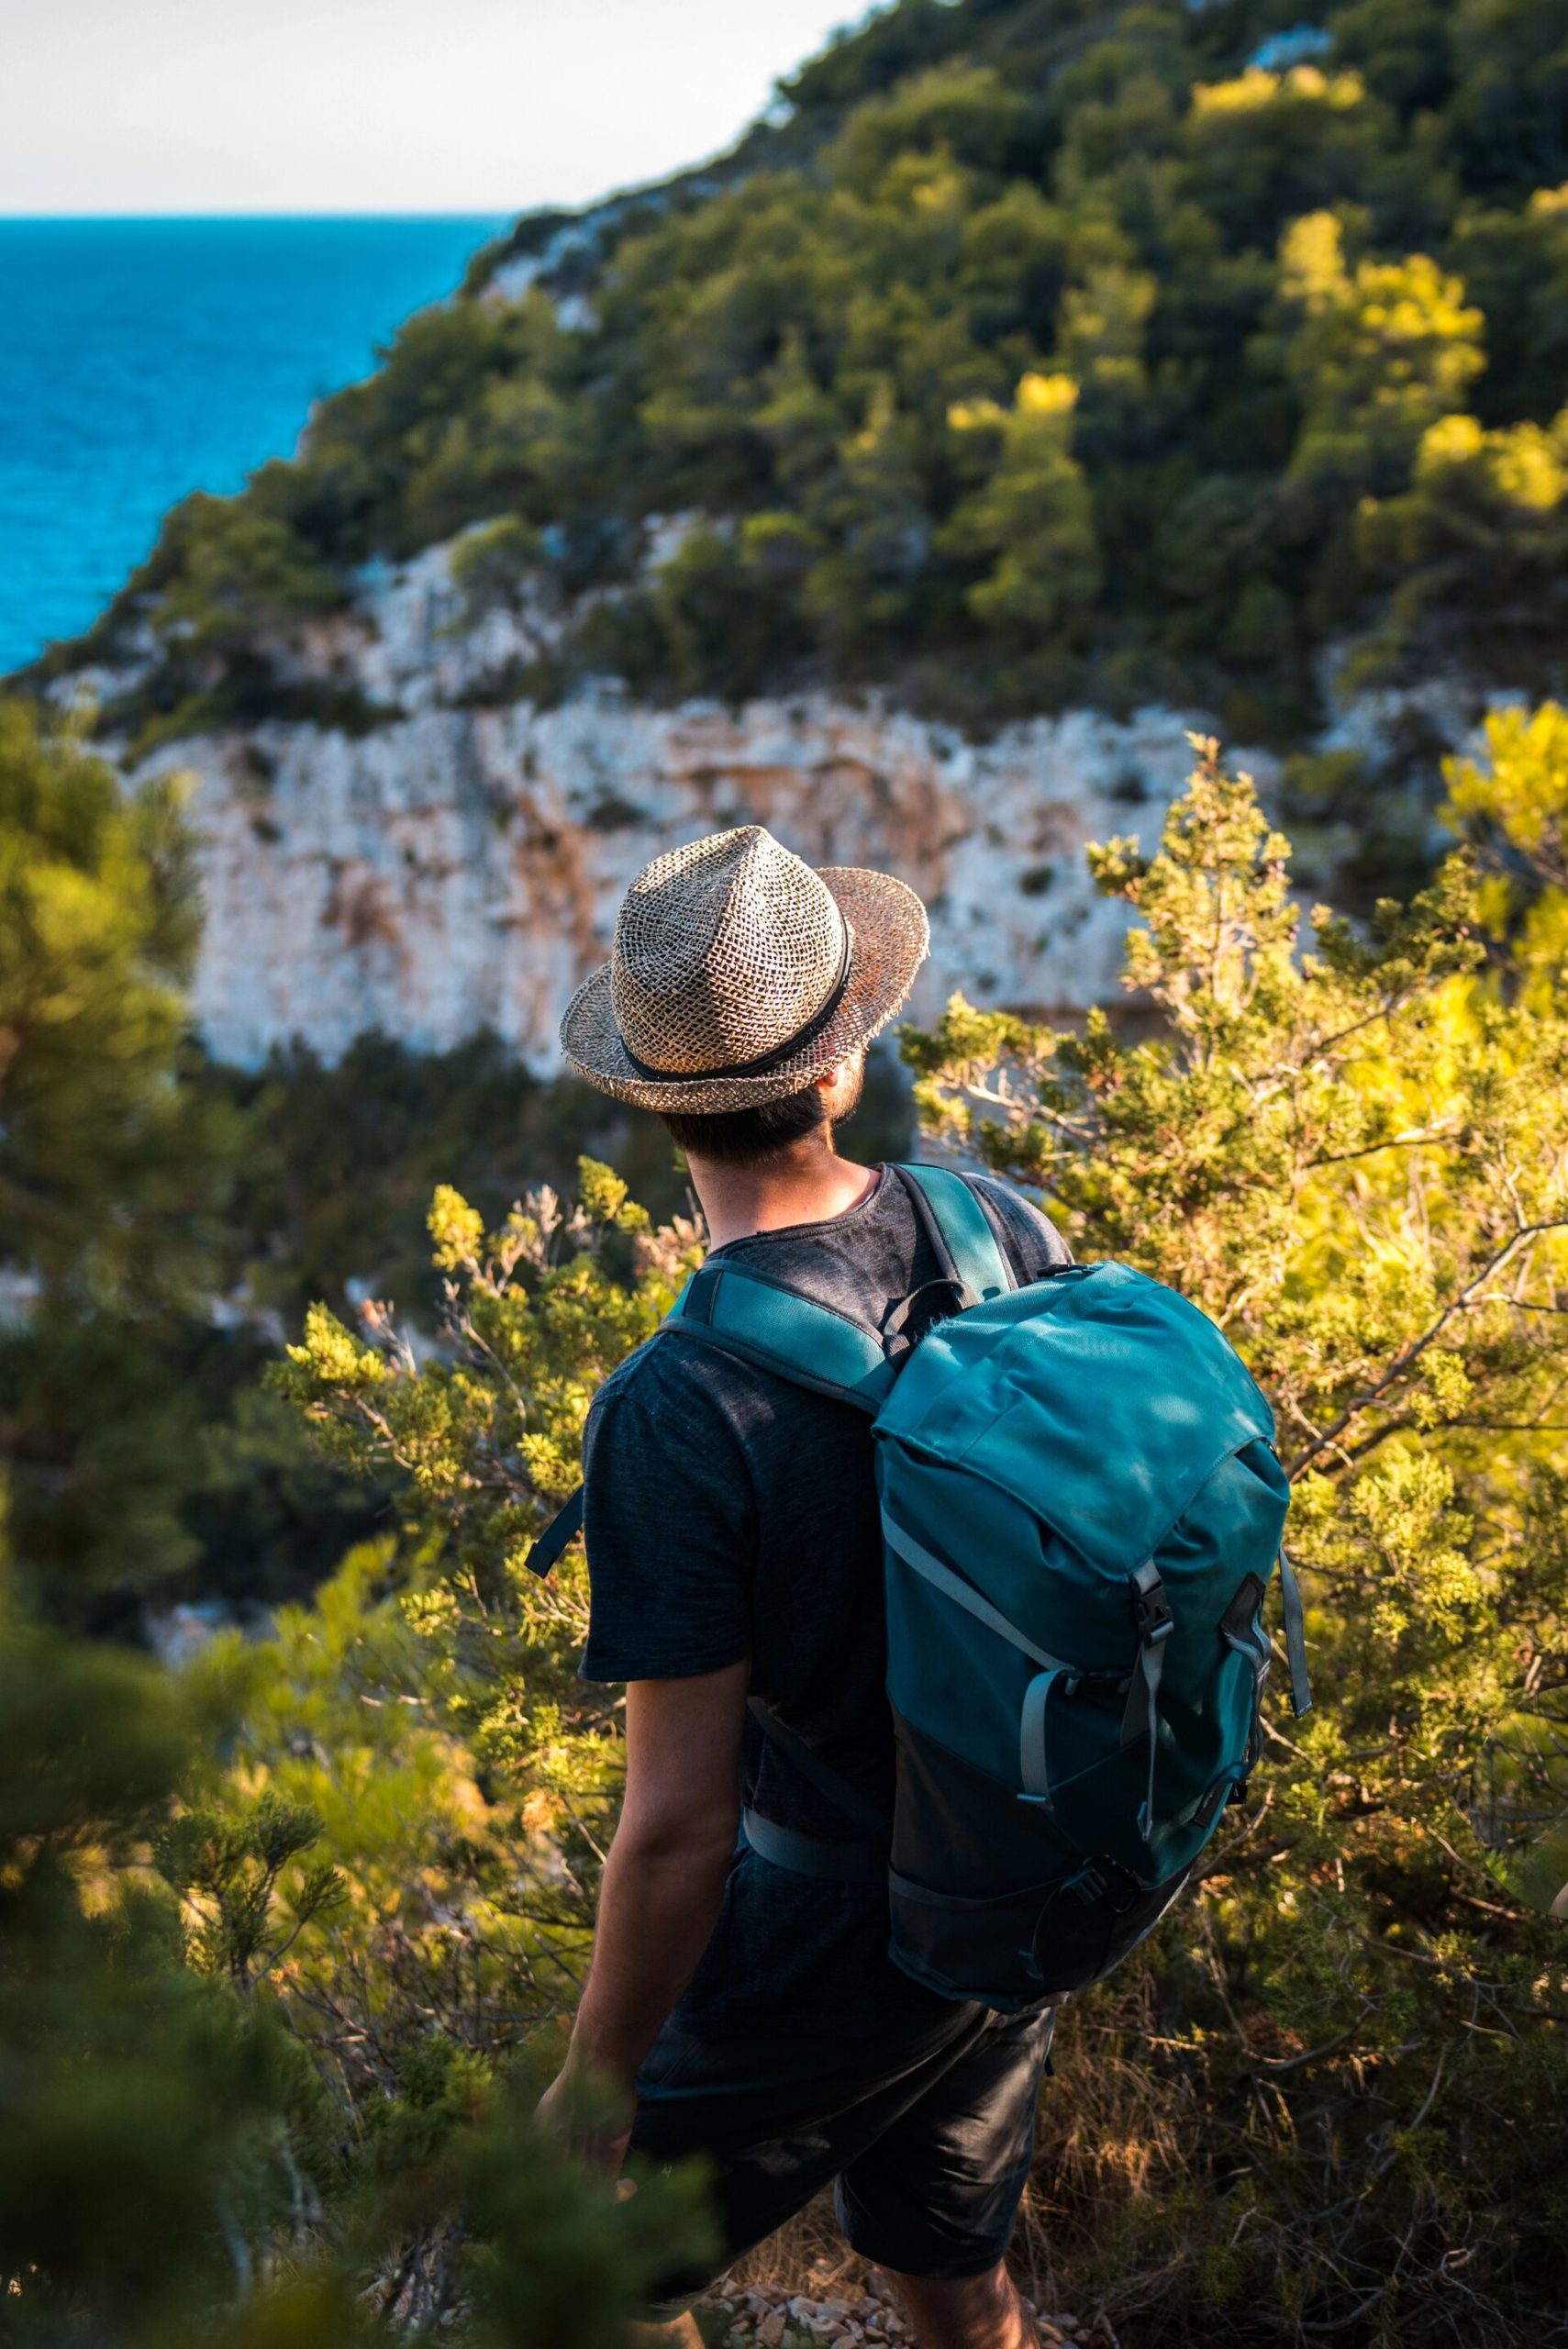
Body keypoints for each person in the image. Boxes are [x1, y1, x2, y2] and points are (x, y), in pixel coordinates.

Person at [539, 825, 1071, 2349]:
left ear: (655, 1104)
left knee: (585, 2270)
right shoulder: (996, 1225)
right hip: (1022, 1861)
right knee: (944, 2252)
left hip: (843, 1919)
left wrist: (595, 2069)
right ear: (840, 1066)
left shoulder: (676, 1404)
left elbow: (679, 1822)